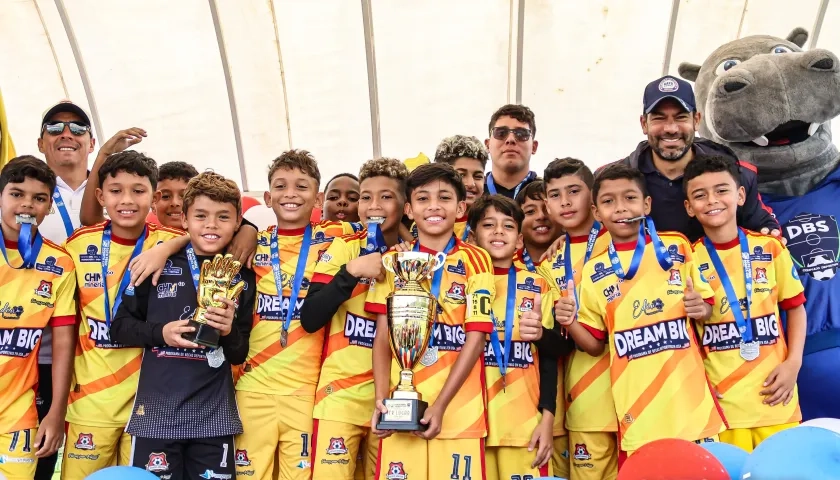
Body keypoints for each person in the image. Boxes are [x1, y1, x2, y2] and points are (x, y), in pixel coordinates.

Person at [556, 163, 726, 460]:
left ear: (647, 204)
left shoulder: (678, 246)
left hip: (691, 405)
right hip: (636, 409)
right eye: (609, 202)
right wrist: (569, 321)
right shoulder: (593, 270)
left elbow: (707, 307)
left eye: (630, 198)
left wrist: (702, 308)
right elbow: (596, 346)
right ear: (597, 213)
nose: (620, 208)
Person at [110, 171, 256, 480]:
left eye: (223, 217)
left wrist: (228, 332)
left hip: (214, 419)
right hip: (156, 416)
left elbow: (240, 353)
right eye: (201, 216)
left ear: (238, 221)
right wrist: (160, 333)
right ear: (185, 220)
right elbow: (119, 327)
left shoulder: (242, 275)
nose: (211, 225)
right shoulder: (157, 264)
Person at [234, 150, 358, 480]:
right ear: (267, 197)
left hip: (306, 392)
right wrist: (246, 226)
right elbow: (203, 229)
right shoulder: (249, 243)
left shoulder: (337, 236)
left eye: (302, 186)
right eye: (281, 186)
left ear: (317, 197)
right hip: (252, 388)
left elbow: (388, 222)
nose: (291, 193)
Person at [368, 163, 495, 480]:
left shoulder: (477, 259)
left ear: (461, 207)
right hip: (400, 408)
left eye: (445, 198)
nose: (434, 206)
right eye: (423, 199)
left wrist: (439, 406)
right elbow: (382, 338)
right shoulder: (394, 261)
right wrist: (381, 401)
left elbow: (476, 336)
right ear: (409, 209)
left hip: (459, 410)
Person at [61, 152, 184, 478]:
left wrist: (169, 247)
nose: (126, 200)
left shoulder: (170, 242)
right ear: (100, 196)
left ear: (154, 197)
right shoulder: (77, 246)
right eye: (116, 191)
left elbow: (218, 234)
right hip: (91, 403)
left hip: (151, 405)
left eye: (139, 191)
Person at [684, 155, 807, 452]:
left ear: (740, 195)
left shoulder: (770, 248)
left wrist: (794, 363)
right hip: (723, 406)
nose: (712, 200)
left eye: (721, 190)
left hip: (776, 397)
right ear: (689, 207)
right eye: (700, 195)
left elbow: (796, 308)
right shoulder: (687, 258)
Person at [301, 158, 409, 480]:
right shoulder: (342, 248)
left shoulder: (416, 257)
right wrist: (351, 273)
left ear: (406, 205)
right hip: (340, 398)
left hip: (395, 399)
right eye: (366, 197)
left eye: (386, 197)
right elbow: (310, 318)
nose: (373, 205)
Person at [607, 75, 780, 243]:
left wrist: (769, 233)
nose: (671, 128)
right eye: (659, 118)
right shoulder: (612, 181)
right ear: (644, 124)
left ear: (696, 120)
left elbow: (761, 224)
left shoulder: (734, 173)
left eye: (681, 117)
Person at [468, 194, 559, 479]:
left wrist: (548, 419)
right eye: (488, 225)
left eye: (507, 226)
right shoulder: (459, 281)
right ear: (472, 238)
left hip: (525, 427)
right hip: (470, 426)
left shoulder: (537, 284)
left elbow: (552, 355)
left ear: (519, 241)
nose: (498, 232)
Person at [537, 157, 616, 480]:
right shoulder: (547, 265)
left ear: (593, 195)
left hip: (634, 393)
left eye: (574, 191)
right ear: (546, 203)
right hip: (582, 401)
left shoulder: (623, 243)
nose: (566, 202)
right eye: (555, 195)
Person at [0, 156, 77, 480]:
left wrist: (56, 413)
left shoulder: (59, 262)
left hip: (18, 413)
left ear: (48, 206)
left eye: (39, 198)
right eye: (17, 194)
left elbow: (62, 346)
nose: (27, 205)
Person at [34, 101, 98, 478]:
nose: (66, 134)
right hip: (40, 355)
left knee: (99, 460)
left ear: (92, 142)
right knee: (39, 457)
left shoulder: (115, 190)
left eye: (77, 128)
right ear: (41, 142)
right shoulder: (23, 193)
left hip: (104, 355)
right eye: (54, 128)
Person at [405, 135, 489, 242]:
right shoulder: (423, 220)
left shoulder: (493, 221)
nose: (471, 183)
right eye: (461, 175)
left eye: (478, 177)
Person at [484, 105, 539, 199]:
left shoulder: (548, 194)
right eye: (501, 133)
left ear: (534, 147)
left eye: (521, 134)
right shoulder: (472, 195)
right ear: (488, 145)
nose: (510, 139)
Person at [514, 180, 560, 270]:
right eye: (530, 211)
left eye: (547, 209)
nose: (541, 216)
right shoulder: (505, 264)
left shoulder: (582, 254)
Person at [152, 161, 199, 229]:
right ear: (153, 204)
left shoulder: (214, 238)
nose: (175, 203)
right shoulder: (146, 238)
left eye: (184, 196)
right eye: (165, 196)